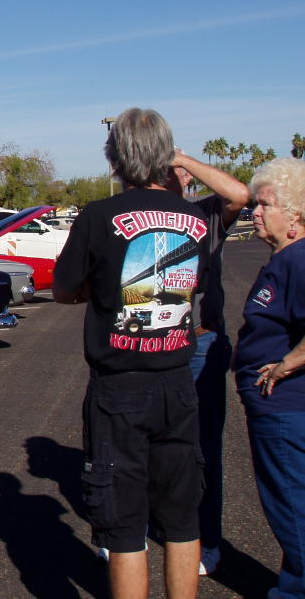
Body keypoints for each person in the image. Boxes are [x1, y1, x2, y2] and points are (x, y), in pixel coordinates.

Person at [53, 108, 208, 599]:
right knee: (181, 518)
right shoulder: (194, 218)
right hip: (178, 380)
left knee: (124, 526)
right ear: (166, 155)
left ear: (115, 157)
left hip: (119, 387)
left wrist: (95, 293)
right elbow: (192, 284)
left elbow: (63, 288)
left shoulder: (99, 216)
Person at [169, 150, 250, 576]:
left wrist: (182, 158)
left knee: (204, 449)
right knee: (149, 445)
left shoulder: (206, 215)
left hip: (200, 342)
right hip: (152, 345)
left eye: (179, 172)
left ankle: (207, 540)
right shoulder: (136, 216)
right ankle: (139, 532)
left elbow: (239, 195)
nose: (175, 177)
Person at [233, 156, 305, 599]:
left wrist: (287, 363)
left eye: (265, 204)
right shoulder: (283, 258)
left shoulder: (299, 259)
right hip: (279, 409)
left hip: (286, 408)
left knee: (292, 510)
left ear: (294, 215)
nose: (255, 212)